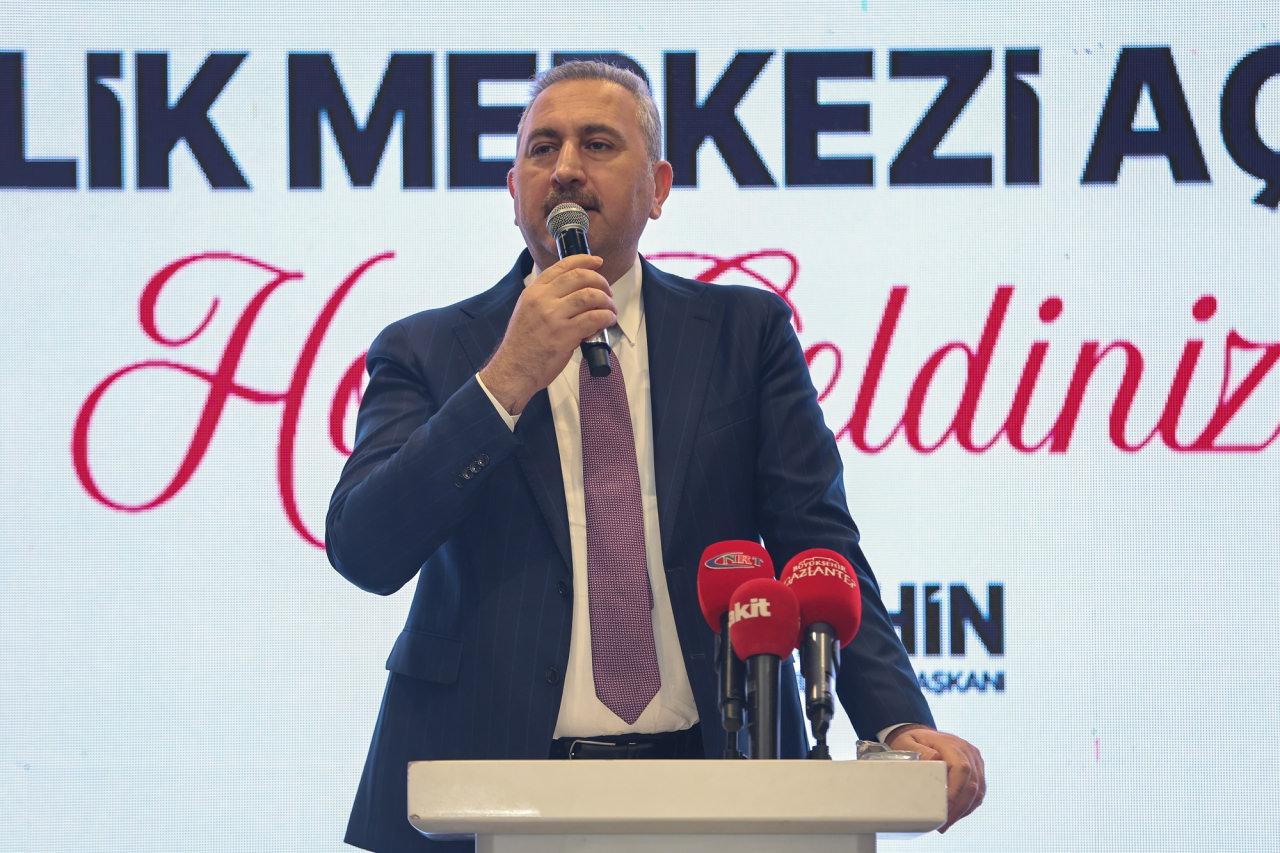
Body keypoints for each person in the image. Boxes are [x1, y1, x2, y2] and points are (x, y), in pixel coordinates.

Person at [326, 60, 984, 853]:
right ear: (513, 190)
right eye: (542, 149)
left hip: (720, 783)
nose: (566, 168)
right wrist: (505, 381)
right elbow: (365, 548)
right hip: (489, 792)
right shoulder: (428, 350)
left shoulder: (744, 335)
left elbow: (818, 547)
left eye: (598, 144)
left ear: (659, 187)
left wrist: (897, 719)